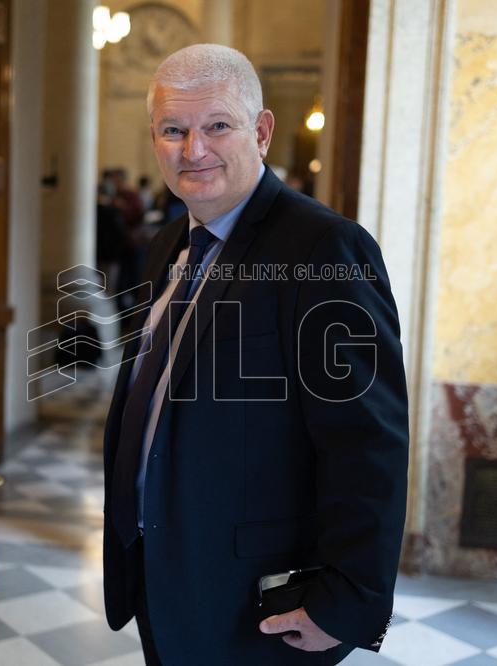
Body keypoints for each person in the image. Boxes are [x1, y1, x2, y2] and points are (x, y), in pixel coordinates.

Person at [100, 44, 408, 665]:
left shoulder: (324, 247)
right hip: (163, 577)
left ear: (261, 131)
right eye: (173, 130)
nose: (194, 150)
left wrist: (347, 600)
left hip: (259, 602)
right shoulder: (168, 242)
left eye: (217, 125)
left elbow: (367, 440)